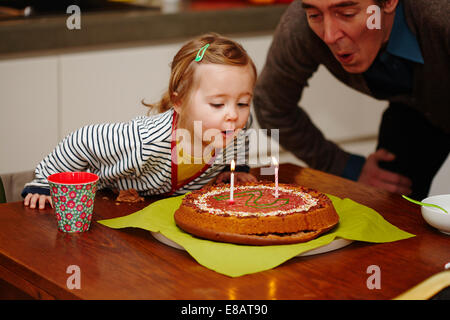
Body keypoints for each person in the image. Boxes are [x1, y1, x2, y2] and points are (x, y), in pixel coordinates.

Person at [23, 33, 257, 209]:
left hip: (159, 214)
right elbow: (83, 140)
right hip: (108, 206)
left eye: (242, 103)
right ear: (179, 102)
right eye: (217, 104)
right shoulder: (143, 141)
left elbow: (245, 129)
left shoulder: (234, 127)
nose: (233, 115)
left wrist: (236, 168)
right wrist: (45, 183)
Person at [253, 0, 449, 200]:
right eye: (315, 16)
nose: (329, 36)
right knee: (388, 208)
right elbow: (271, 106)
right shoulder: (301, 24)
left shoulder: (441, 13)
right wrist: (346, 167)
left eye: (346, 14)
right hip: (414, 113)